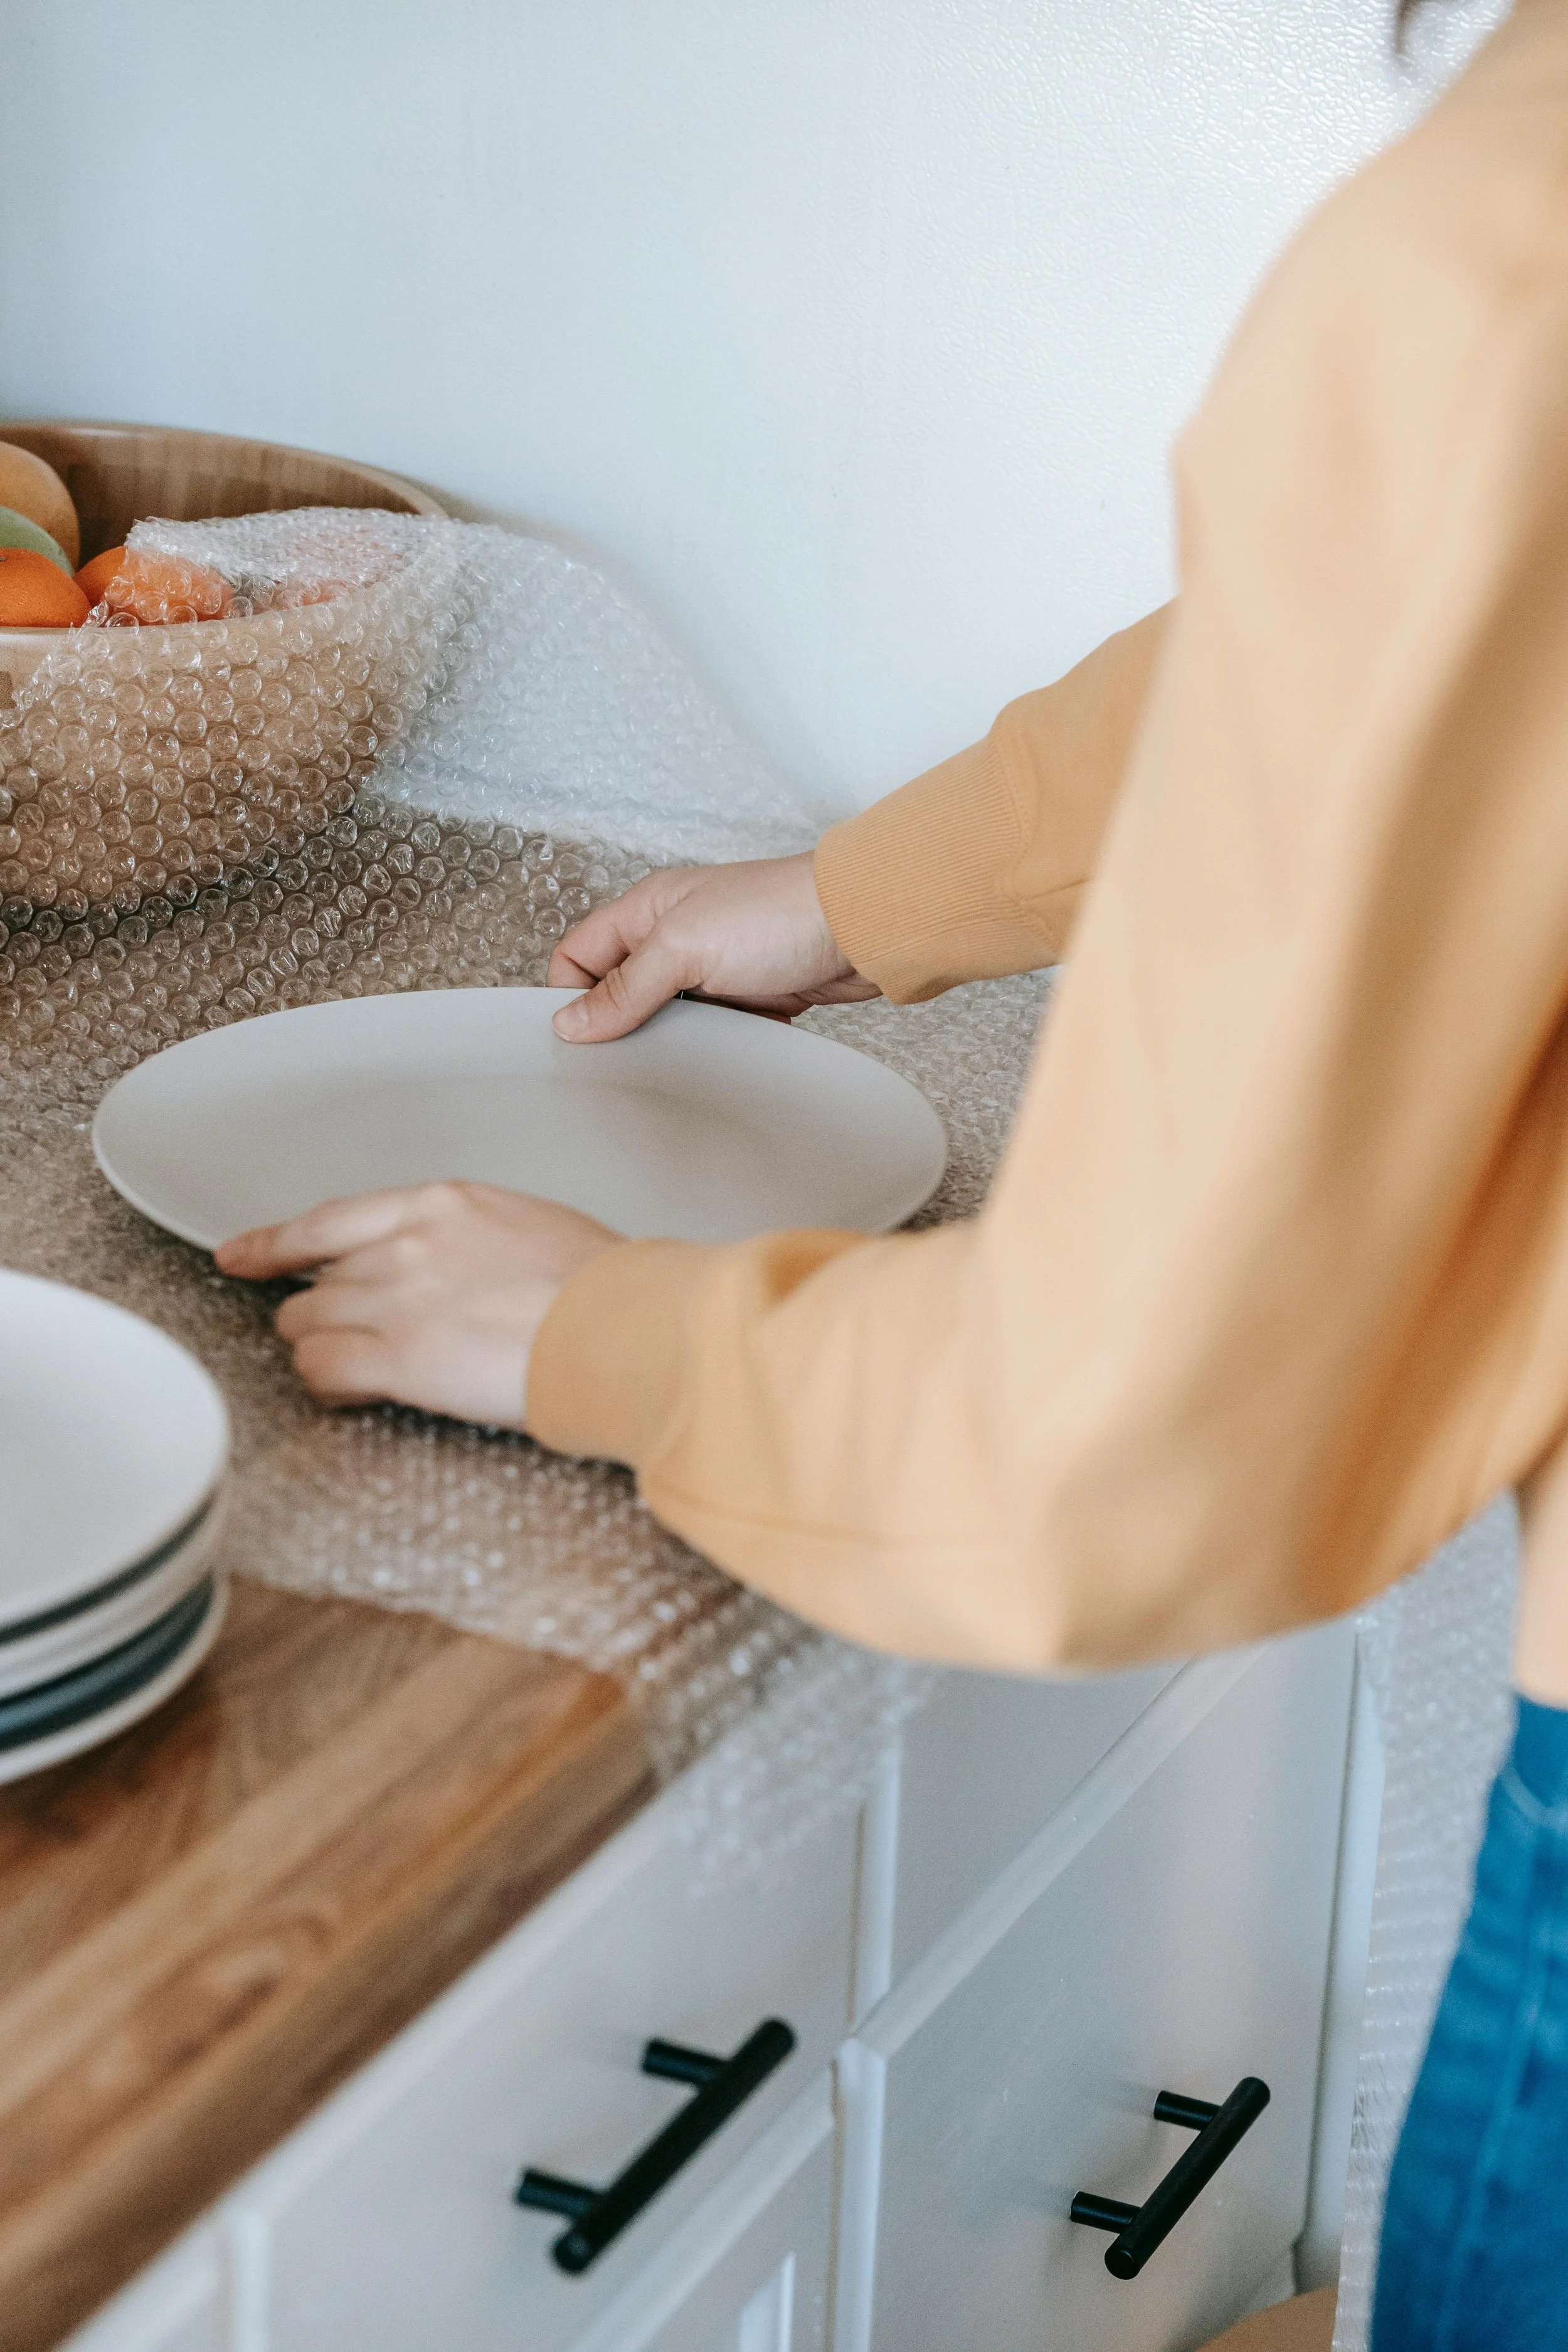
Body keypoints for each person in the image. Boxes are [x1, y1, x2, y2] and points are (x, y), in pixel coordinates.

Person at [218, 3, 1568, 2341]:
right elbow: (1470, 621)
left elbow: (1123, 1440)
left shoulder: (1504, 255)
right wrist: (881, 890)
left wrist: (582, 1329)